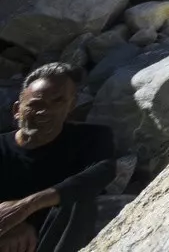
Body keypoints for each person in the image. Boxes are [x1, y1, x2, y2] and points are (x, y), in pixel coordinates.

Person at [0, 64, 115, 252]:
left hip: (62, 237)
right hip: (10, 241)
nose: (46, 111)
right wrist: (11, 225)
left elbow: (102, 173)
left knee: (79, 201)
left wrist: (26, 207)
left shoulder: (91, 138)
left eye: (58, 102)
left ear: (71, 105)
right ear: (17, 110)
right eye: (36, 104)